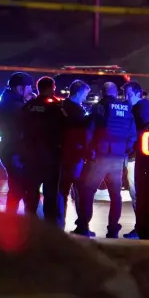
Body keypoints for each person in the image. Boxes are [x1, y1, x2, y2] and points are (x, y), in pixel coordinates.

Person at [77, 82, 137, 238]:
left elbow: (89, 131)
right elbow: (132, 135)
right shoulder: (127, 109)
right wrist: (125, 150)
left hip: (100, 156)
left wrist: (88, 150)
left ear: (102, 93)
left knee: (88, 191)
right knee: (115, 195)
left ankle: (83, 226)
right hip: (117, 158)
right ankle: (113, 230)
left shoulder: (99, 107)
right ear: (116, 93)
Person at [17, 76, 69, 228]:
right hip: (51, 157)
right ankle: (49, 228)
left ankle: (30, 226)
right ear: (52, 88)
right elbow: (66, 127)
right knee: (50, 194)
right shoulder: (56, 107)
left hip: (31, 156)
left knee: (31, 193)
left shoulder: (28, 106)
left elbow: (19, 128)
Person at [0, 72, 36, 214]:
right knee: (19, 187)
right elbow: (27, 124)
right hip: (15, 151)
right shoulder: (15, 106)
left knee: (16, 186)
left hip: (10, 149)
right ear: (20, 88)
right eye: (29, 87)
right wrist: (31, 104)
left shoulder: (9, 101)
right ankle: (12, 219)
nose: (31, 90)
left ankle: (11, 217)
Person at [122, 81, 149, 239]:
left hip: (136, 157)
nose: (126, 98)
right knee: (136, 192)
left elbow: (142, 131)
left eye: (128, 95)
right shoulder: (143, 107)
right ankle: (142, 226)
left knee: (136, 192)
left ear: (137, 93)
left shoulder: (141, 108)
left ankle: (141, 227)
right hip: (135, 155)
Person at [59, 80, 91, 219]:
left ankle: (59, 223)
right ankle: (82, 224)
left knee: (62, 191)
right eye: (85, 94)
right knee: (79, 190)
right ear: (78, 93)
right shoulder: (78, 111)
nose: (85, 98)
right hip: (76, 155)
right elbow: (84, 134)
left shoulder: (60, 107)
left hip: (61, 153)